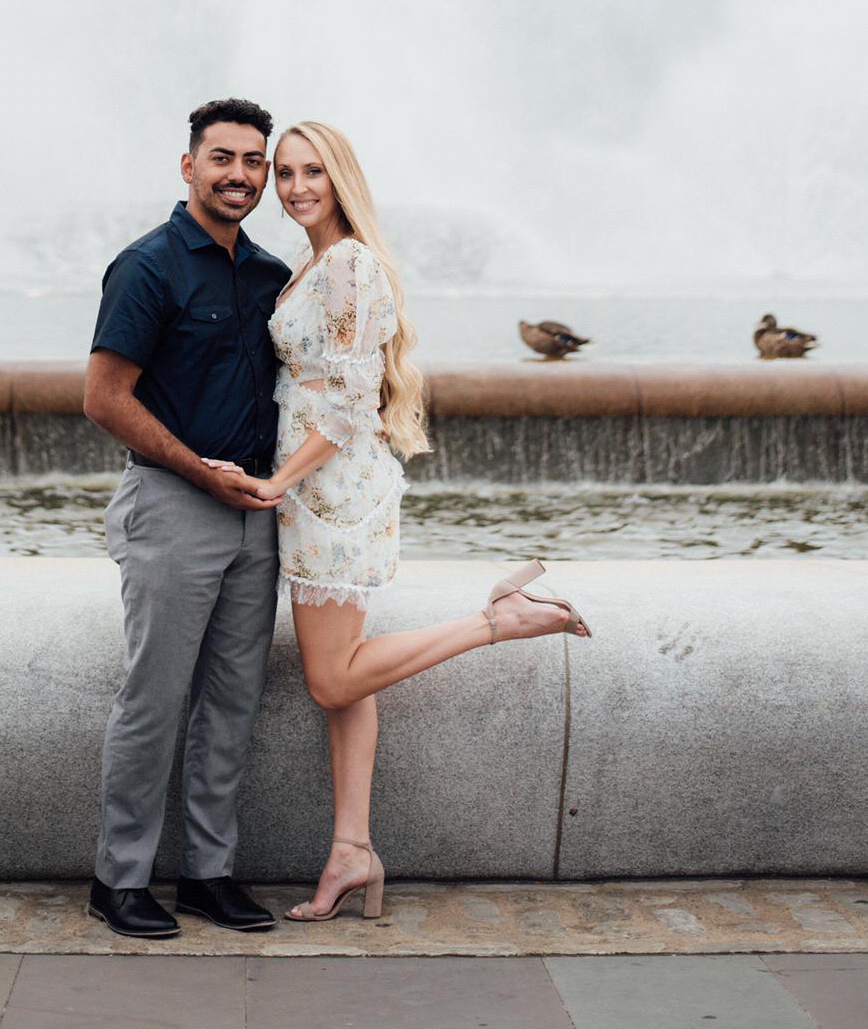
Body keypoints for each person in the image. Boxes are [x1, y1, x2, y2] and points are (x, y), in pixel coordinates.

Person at [207, 120, 590, 923]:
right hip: (331, 485)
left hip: (331, 491)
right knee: (349, 678)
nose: (296, 187)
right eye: (286, 173)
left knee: (330, 677)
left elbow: (347, 404)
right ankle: (352, 850)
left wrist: (277, 482)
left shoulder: (346, 263)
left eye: (313, 171)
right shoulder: (320, 262)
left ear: (342, 177)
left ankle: (499, 620)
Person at [81, 97, 288, 941]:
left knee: (233, 703)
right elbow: (103, 398)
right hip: (172, 505)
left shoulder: (272, 275)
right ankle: (119, 879)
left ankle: (208, 874)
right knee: (154, 700)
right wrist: (197, 470)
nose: (240, 175)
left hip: (259, 513)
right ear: (188, 166)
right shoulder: (149, 266)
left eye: (254, 162)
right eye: (223, 158)